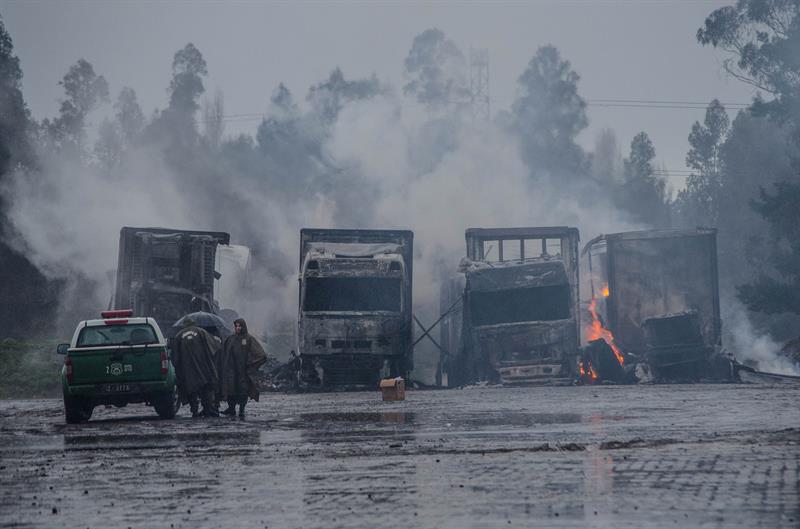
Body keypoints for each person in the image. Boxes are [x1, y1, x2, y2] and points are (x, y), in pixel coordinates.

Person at [219, 318, 267, 418]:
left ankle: (241, 410)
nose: (238, 328)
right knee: (230, 391)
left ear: (243, 326)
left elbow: (261, 355)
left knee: (243, 391)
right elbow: (223, 353)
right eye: (236, 326)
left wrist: (251, 364)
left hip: (243, 371)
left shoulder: (249, 339)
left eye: (239, 326)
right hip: (231, 371)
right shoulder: (231, 339)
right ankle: (231, 409)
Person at [172, 318, 220, 417]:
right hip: (203, 366)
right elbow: (213, 347)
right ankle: (207, 409)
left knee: (191, 389)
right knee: (205, 387)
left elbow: (175, 357)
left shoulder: (179, 335)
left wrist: (177, 367)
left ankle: (194, 410)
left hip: (187, 369)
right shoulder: (202, 332)